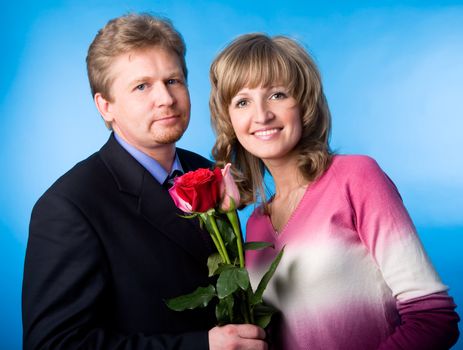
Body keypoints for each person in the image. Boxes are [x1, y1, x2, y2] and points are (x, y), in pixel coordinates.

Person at [22, 14, 267, 350]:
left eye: (173, 80)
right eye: (142, 86)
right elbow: (55, 344)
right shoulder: (69, 206)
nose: (166, 98)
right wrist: (201, 347)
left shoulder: (208, 172)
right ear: (105, 106)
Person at [209, 33, 460, 349]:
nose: (262, 115)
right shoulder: (256, 224)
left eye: (277, 95)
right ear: (229, 120)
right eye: (243, 101)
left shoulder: (356, 177)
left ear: (304, 104)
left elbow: (434, 319)